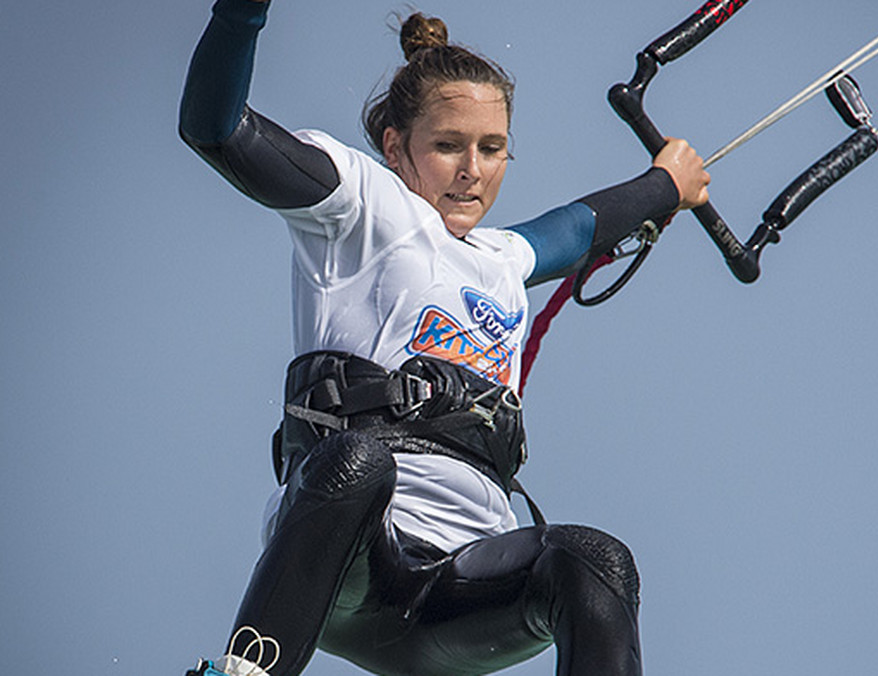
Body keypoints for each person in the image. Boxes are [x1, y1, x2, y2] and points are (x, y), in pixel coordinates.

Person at [178, 1, 710, 675]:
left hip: (456, 597)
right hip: (352, 564)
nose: (472, 171)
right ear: (397, 146)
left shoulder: (501, 260)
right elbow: (216, 129)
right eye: (448, 145)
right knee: (357, 463)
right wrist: (242, 13)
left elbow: (577, 230)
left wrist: (666, 184)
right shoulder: (360, 203)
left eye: (492, 149)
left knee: (596, 561)